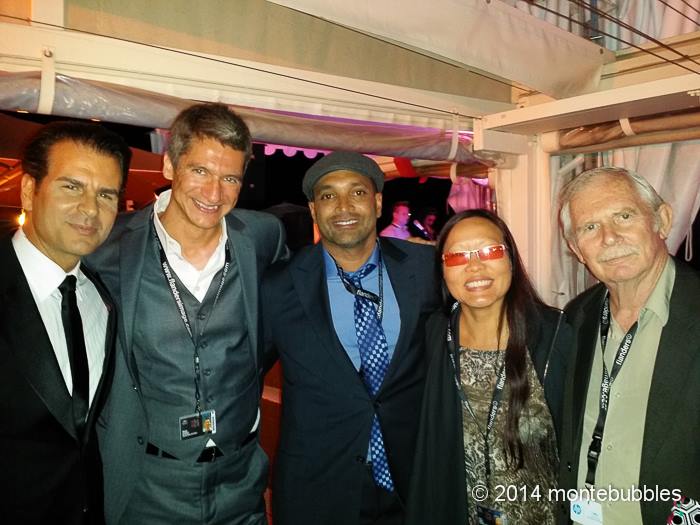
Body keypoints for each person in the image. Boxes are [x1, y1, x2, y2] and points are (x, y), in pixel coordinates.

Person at [86, 103, 289, 525]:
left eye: (229, 177)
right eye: (199, 171)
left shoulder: (263, 238)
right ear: (168, 164)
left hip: (240, 482)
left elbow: (283, 312)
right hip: (148, 485)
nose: (214, 194)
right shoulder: (108, 248)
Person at [262, 151, 439, 525]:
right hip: (317, 488)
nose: (343, 206)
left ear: (377, 203)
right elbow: (243, 373)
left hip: (415, 480)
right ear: (313, 210)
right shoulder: (278, 286)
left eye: (357, 193)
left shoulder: (426, 271)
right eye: (328, 196)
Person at [0, 121, 131, 524]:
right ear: (28, 190)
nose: (90, 209)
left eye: (106, 194)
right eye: (71, 187)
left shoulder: (103, 299)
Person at [407, 209, 572, 525]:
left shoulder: (557, 336)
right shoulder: (432, 336)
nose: (474, 265)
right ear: (442, 270)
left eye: (489, 251)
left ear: (510, 259)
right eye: (457, 257)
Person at [557, 167, 700, 525]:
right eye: (590, 227)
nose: (609, 237)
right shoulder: (577, 317)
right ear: (576, 249)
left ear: (662, 220)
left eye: (624, 215)